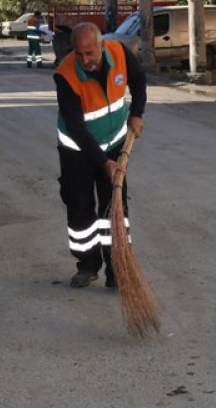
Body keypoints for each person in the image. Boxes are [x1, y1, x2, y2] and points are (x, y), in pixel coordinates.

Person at [54, 22, 147, 288]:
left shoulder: (119, 53)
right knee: (80, 212)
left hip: (116, 144)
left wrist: (137, 113)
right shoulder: (66, 75)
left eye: (90, 53)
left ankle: (117, 270)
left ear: (101, 46)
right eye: (79, 54)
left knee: (116, 210)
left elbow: (139, 79)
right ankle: (87, 265)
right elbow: (76, 128)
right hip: (77, 151)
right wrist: (103, 161)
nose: (85, 60)